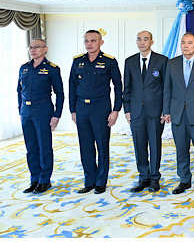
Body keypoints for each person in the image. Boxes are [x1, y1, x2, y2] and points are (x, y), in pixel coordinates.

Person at [69, 30, 122, 194]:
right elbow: (72, 86)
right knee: (85, 147)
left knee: (102, 145)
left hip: (101, 108)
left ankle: (100, 182)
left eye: (93, 41)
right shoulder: (78, 61)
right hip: (82, 108)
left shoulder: (109, 61)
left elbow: (118, 86)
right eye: (86, 41)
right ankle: (89, 181)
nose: (89, 44)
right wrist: (73, 110)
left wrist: (116, 110)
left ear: (101, 43)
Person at [163, 32, 194, 195]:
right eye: (183, 42)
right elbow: (167, 89)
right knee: (181, 149)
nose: (186, 46)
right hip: (177, 114)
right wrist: (166, 110)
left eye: (190, 43)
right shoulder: (172, 63)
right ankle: (184, 179)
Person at [17, 38, 64, 194]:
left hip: (43, 110)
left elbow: (60, 93)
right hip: (26, 111)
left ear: (45, 49)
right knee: (31, 148)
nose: (33, 50)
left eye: (37, 47)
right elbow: (19, 91)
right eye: (31, 47)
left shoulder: (52, 69)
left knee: (44, 147)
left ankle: (45, 180)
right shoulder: (24, 68)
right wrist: (20, 110)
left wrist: (57, 115)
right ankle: (34, 179)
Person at [123, 31, 168, 193]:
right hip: (136, 112)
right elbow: (126, 88)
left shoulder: (162, 60)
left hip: (156, 111)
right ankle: (143, 177)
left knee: (155, 145)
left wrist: (165, 109)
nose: (142, 42)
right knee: (139, 145)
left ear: (152, 42)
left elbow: (166, 87)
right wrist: (127, 110)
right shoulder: (129, 61)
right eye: (139, 39)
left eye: (145, 39)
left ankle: (154, 177)